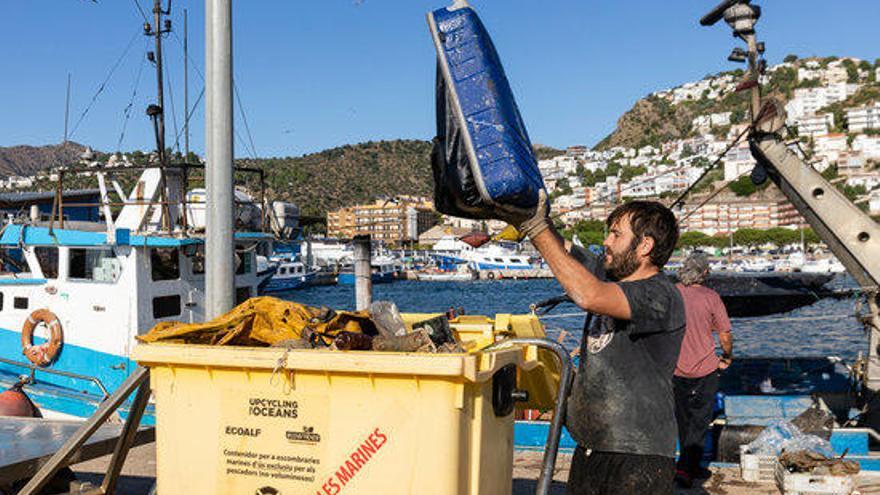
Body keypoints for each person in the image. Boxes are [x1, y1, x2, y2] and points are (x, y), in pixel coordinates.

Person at [509, 194, 685, 495]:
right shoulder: (613, 275)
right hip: (593, 447)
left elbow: (588, 295)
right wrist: (526, 219)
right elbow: (565, 252)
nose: (606, 241)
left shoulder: (660, 295)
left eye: (616, 234)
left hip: (638, 455)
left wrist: (535, 226)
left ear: (645, 246)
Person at [672, 252, 733, 488]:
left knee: (683, 419)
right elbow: (725, 334)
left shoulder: (672, 294)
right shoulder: (711, 297)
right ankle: (685, 470)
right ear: (705, 273)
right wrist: (727, 356)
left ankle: (690, 465)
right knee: (699, 421)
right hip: (706, 368)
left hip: (676, 368)